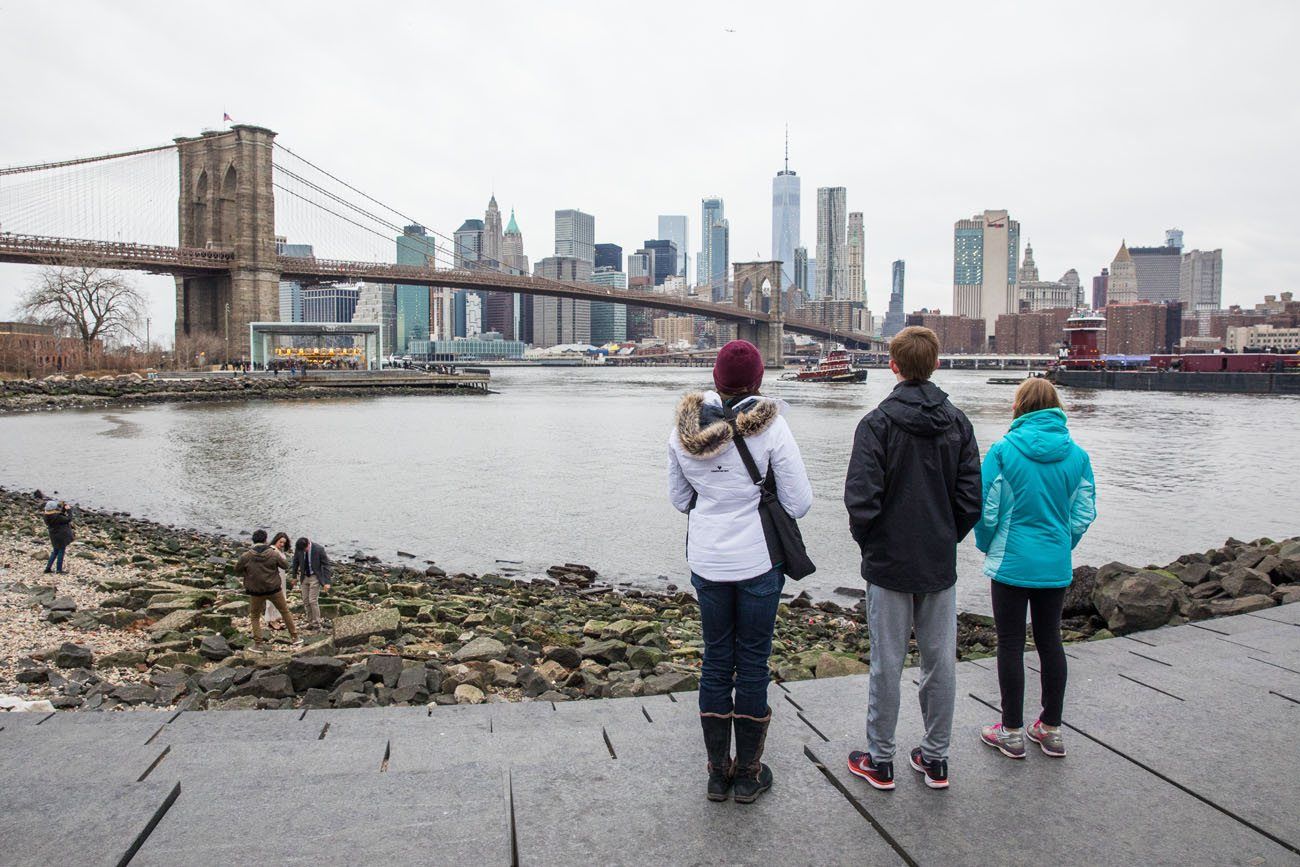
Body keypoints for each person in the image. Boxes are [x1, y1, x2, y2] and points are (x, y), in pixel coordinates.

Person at [668, 339, 813, 805]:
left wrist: (713, 500)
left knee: (715, 658)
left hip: (708, 561)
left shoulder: (681, 432)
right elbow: (798, 503)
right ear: (759, 380)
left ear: (714, 378)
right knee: (751, 662)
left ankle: (716, 775)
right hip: (757, 563)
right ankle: (748, 774)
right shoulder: (772, 429)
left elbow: (679, 500)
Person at [844, 326, 982, 792]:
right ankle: (935, 758)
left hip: (888, 564)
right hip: (938, 564)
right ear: (937, 363)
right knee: (940, 662)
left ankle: (880, 760)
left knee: (887, 662)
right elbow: (970, 500)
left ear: (893, 365)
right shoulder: (959, 423)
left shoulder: (876, 424)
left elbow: (861, 501)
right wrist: (945, 537)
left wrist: (873, 545)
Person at [976, 378, 1096, 759]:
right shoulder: (1078, 456)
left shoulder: (1002, 451)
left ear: (1020, 406)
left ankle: (1010, 731)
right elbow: (1084, 513)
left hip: (1011, 562)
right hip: (1055, 562)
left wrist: (987, 545)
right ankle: (1051, 729)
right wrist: (1063, 544)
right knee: (1050, 641)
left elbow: (987, 510)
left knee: (1010, 644)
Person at [235, 529, 298, 646]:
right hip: (273, 588)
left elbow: (237, 569)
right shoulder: (273, 553)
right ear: (266, 540)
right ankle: (295, 637)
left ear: (253, 540)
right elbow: (285, 565)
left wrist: (247, 572)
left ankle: (258, 643)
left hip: (256, 590)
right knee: (285, 611)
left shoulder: (246, 556)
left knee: (255, 616)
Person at [291, 536, 332, 632]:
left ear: (308, 544)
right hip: (304, 577)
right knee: (305, 600)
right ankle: (310, 622)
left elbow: (326, 565)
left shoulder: (318, 549)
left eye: (305, 549)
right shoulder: (299, 549)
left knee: (312, 600)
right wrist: (294, 576)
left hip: (315, 576)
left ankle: (317, 623)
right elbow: (295, 562)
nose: (304, 551)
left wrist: (327, 582)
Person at [263, 532, 292, 630]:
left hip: (281, 576)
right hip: (273, 577)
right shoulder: (272, 550)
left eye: (284, 542)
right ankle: (270, 619)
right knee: (272, 599)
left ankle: (275, 617)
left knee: (280, 598)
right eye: (281, 542)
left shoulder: (280, 550)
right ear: (276, 540)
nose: (282, 544)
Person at [42, 500, 74, 574]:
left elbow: (60, 516)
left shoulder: (46, 516)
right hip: (61, 536)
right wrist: (69, 510)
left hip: (53, 535)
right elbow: (68, 519)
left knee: (55, 551)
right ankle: (59, 570)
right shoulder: (57, 517)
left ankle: (48, 568)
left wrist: (63, 509)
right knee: (61, 551)